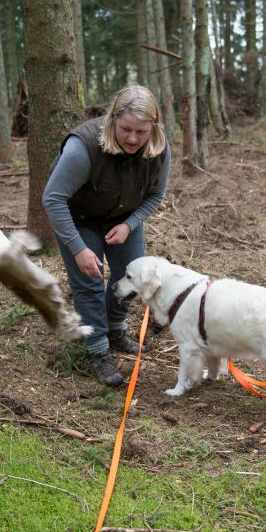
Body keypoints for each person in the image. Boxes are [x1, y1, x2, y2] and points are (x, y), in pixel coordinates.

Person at [43, 85, 172, 387]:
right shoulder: (84, 146)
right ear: (113, 119)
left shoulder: (159, 148)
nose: (132, 138)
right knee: (89, 281)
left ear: (153, 127)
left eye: (141, 132)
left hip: (123, 218)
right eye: (126, 129)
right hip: (79, 217)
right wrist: (77, 247)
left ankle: (116, 330)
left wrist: (131, 223)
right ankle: (98, 349)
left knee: (132, 278)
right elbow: (53, 198)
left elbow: (156, 194)